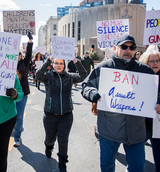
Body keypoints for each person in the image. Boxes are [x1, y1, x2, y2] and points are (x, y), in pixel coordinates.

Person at [81, 34, 160, 172]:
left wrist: (158, 102)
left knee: (137, 168)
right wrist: (92, 94)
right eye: (124, 46)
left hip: (136, 132)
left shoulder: (145, 70)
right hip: (109, 130)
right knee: (107, 166)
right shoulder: (103, 68)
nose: (128, 50)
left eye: (132, 47)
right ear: (115, 48)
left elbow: (156, 92)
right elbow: (85, 86)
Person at [36, 56, 87, 172]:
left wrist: (77, 62)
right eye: (56, 63)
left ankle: (62, 164)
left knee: (63, 140)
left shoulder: (70, 77)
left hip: (66, 115)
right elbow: (38, 75)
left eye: (61, 63)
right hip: (50, 115)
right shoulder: (48, 76)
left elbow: (83, 76)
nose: (58, 65)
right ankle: (48, 146)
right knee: (50, 138)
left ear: (64, 65)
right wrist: (47, 61)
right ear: (53, 65)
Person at [139, 49, 160, 172]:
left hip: (157, 125)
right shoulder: (139, 79)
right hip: (141, 125)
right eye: (151, 61)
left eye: (157, 60)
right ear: (145, 63)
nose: (155, 63)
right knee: (136, 157)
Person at [14, 32, 33, 147]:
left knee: (19, 115)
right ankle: (15, 129)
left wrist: (30, 41)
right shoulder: (7, 64)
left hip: (23, 93)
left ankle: (17, 137)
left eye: (18, 55)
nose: (17, 56)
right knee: (11, 115)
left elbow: (29, 54)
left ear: (21, 55)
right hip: (9, 94)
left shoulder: (24, 64)